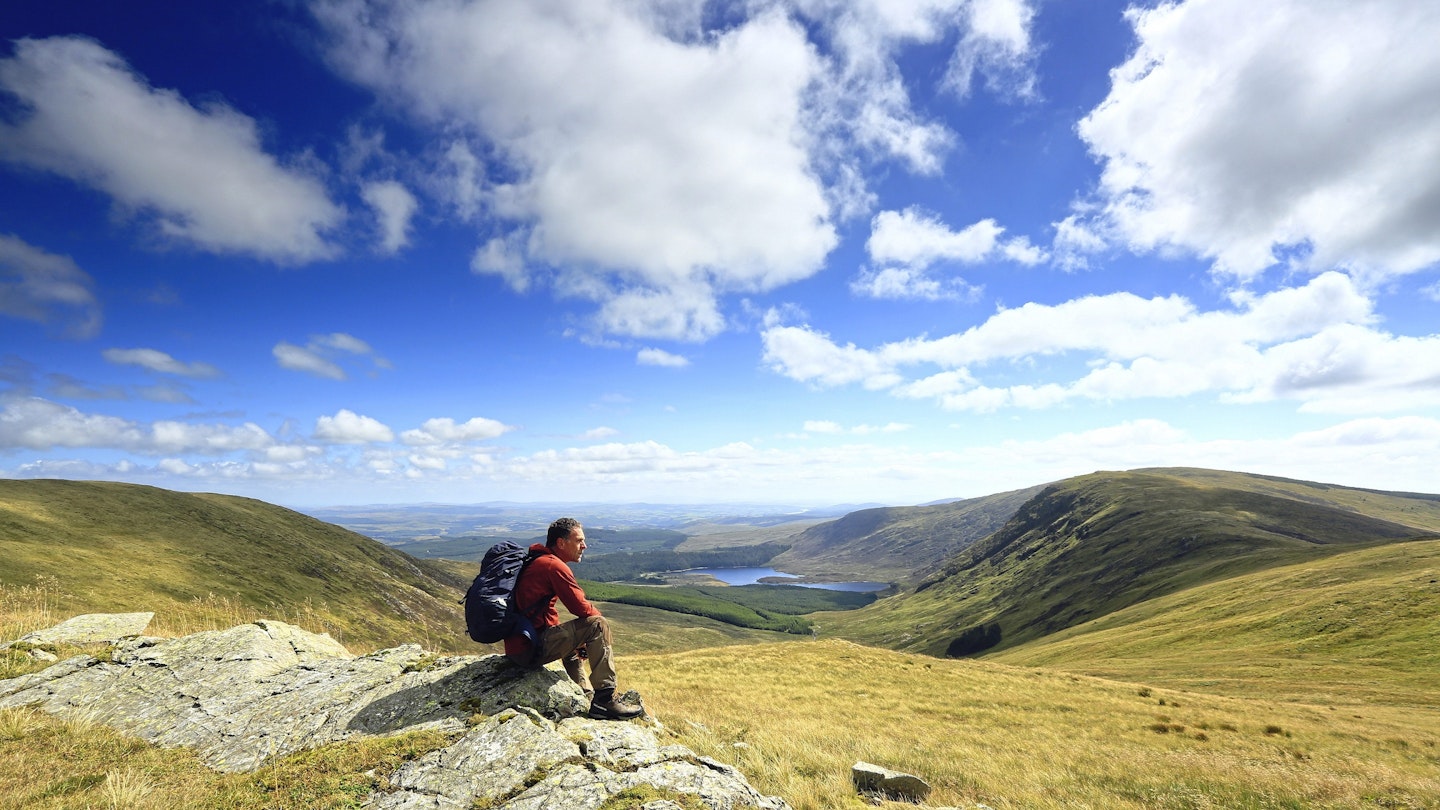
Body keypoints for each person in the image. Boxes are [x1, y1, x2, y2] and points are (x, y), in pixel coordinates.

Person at [504, 517, 644, 720]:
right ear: (561, 543)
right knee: (597, 625)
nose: (584, 546)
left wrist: (576, 641)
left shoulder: (537, 559)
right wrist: (591, 632)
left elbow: (541, 616)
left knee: (572, 651)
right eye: (579, 541)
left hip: (519, 648)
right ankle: (605, 700)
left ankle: (585, 695)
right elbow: (582, 608)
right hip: (530, 650)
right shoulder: (553, 566)